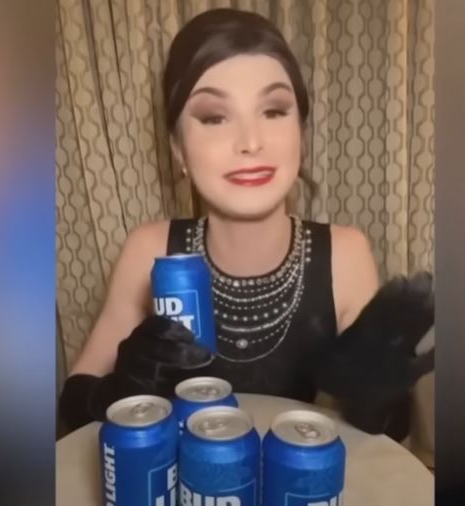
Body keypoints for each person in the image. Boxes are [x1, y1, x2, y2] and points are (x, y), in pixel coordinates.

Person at [59, 8, 434, 441]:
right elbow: (73, 402)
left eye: (273, 111)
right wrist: (122, 391)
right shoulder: (150, 249)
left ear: (301, 132)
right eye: (214, 117)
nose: (251, 142)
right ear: (178, 149)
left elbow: (383, 436)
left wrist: (379, 398)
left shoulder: (346, 254)